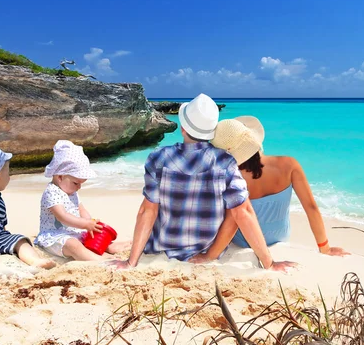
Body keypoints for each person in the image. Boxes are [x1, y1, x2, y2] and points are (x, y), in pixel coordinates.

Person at [109, 94, 297, 271]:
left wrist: (131, 262)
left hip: (164, 247)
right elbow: (243, 212)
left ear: (183, 128)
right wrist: (269, 263)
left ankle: (127, 247)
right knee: (235, 205)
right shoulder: (225, 162)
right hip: (204, 250)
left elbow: (147, 210)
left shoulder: (158, 157)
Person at [210, 116, 348, 256]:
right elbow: (311, 208)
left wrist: (211, 255)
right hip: (280, 238)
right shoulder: (289, 165)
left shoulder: (231, 176)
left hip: (242, 241)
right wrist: (325, 247)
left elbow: (231, 219)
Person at [35, 140, 130, 261]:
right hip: (55, 237)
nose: (79, 187)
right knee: (74, 245)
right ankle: (98, 259)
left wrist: (90, 222)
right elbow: (62, 216)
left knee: (93, 238)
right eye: (76, 183)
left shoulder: (72, 191)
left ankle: (111, 248)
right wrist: (85, 224)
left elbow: (81, 209)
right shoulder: (51, 192)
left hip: (73, 232)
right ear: (60, 177)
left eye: (81, 183)